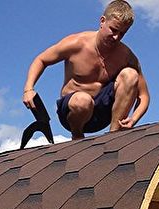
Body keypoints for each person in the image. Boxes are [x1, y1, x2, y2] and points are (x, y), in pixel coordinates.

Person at [22, 0, 150, 140]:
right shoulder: (76, 44)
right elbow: (41, 60)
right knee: (83, 101)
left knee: (130, 75)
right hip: (74, 113)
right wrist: (29, 89)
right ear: (102, 21)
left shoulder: (126, 56)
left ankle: (114, 136)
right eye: (113, 30)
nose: (116, 37)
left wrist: (134, 119)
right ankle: (77, 136)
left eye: (122, 33)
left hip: (102, 114)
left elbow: (143, 96)